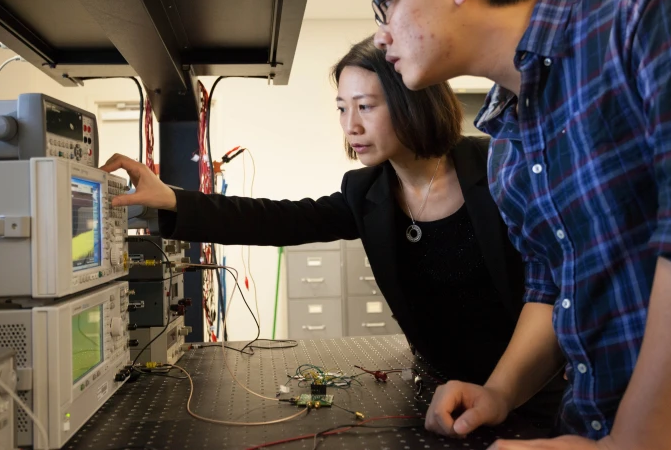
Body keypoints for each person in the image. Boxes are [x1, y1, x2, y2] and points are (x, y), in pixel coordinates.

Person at [101, 36, 563, 423]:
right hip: (442, 391)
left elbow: (553, 293)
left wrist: (507, 390)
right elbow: (277, 218)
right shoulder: (367, 193)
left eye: (365, 106)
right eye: (342, 108)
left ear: (411, 100)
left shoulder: (499, 166)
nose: (351, 125)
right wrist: (174, 200)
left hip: (536, 389)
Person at [359, 0, 671, 449]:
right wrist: (499, 392)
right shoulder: (506, 149)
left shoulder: (648, 7)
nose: (381, 36)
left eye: (386, 2)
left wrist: (634, 443)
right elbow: (551, 287)